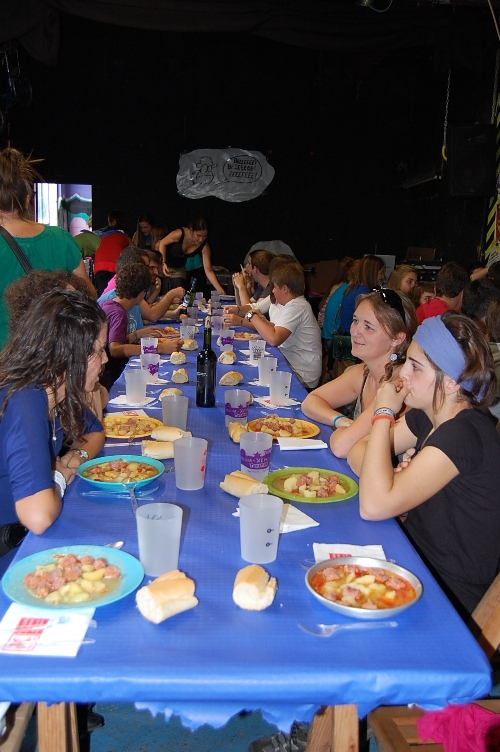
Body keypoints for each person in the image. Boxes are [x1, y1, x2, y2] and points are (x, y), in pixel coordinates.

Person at [347, 312, 500, 617]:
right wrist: (387, 479)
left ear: (452, 383)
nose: (403, 373)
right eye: (407, 362)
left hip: (446, 594)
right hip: (413, 559)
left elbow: (373, 505)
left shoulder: (463, 433)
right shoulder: (428, 415)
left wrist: (383, 413)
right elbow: (356, 451)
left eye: (415, 367)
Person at [0, 289, 107, 539]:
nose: (105, 359)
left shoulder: (57, 391)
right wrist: (58, 477)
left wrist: (76, 456)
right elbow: (38, 517)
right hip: (11, 543)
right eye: (99, 350)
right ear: (71, 355)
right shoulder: (26, 400)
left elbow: (95, 433)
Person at [302, 289, 417, 457]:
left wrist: (347, 432)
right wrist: (340, 420)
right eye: (355, 320)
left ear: (397, 339)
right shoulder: (364, 372)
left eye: (368, 327)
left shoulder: (400, 387)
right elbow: (310, 401)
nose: (355, 331)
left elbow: (340, 447)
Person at [0, 147, 94, 348]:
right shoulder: (60, 238)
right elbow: (87, 295)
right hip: (52, 355)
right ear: (27, 199)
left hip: (5, 358)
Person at [99, 262, 182, 389]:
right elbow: (115, 349)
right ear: (141, 294)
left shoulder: (109, 304)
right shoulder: (119, 314)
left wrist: (136, 334)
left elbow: (111, 340)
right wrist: (159, 348)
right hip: (111, 378)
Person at [243, 262, 322, 388]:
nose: (273, 291)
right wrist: (265, 323)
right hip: (293, 366)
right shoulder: (294, 304)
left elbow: (274, 339)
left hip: (302, 375)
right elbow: (279, 330)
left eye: (274, 287)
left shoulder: (297, 306)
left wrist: (252, 315)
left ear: (285, 288)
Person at [158, 217, 225, 297]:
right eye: (198, 235)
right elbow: (162, 243)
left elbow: (209, 271)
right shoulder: (180, 233)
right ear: (191, 230)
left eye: (204, 236)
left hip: (178, 268)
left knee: (180, 294)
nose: (201, 239)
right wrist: (163, 262)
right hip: (161, 262)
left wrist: (219, 289)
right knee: (156, 286)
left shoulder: (204, 246)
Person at [93, 212, 131, 296]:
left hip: (99, 266)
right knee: (117, 295)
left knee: (103, 295)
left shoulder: (103, 235)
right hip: (115, 266)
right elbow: (134, 250)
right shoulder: (124, 236)